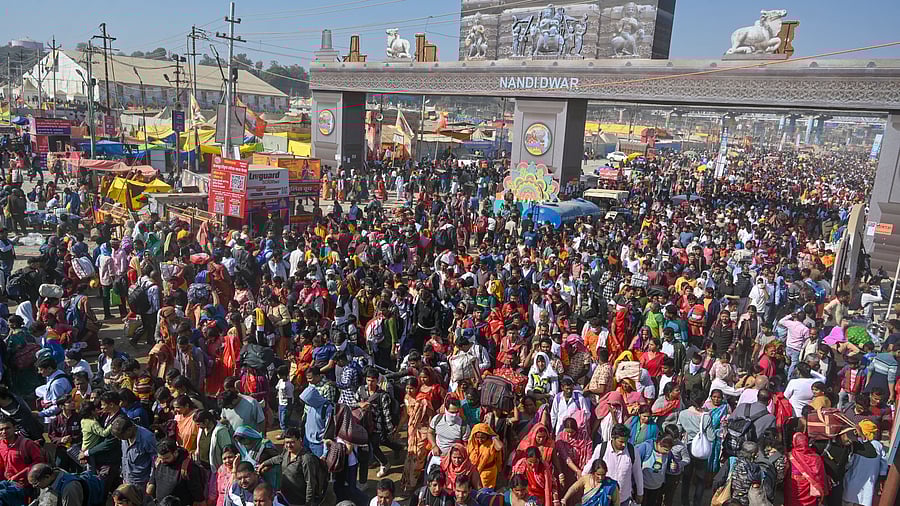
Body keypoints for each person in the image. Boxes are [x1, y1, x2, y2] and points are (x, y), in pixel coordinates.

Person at [258, 427, 326, 506]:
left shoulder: (306, 459)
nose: (289, 445)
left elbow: (310, 483)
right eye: (286, 442)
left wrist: (308, 503)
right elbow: (279, 458)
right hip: (285, 498)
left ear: (300, 440)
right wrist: (264, 464)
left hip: (299, 501)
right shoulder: (287, 452)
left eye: (292, 442)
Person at [583, 423, 642, 506]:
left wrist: (640, 493)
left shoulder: (633, 451)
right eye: (621, 441)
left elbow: (638, 473)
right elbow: (587, 470)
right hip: (604, 500)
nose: (624, 444)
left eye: (625, 441)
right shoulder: (601, 449)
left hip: (624, 499)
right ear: (613, 438)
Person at [145, 438, 207, 505]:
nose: (162, 461)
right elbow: (152, 482)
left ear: (175, 453)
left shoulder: (187, 467)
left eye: (166, 458)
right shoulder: (158, 462)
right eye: (161, 458)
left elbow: (198, 495)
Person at [110, 416, 157, 491]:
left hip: (142, 483)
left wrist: (151, 481)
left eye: (121, 436)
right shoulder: (124, 436)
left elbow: (155, 461)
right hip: (126, 479)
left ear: (129, 430)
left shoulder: (147, 438)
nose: (120, 439)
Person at [0, 414, 43, 490]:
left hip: (27, 485)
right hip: (7, 485)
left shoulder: (27, 444)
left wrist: (19, 475)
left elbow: (39, 462)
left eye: (7, 428)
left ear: (15, 428)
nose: (4, 432)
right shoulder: (1, 445)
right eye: (1, 429)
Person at [785, 432, 827, 506]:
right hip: (808, 493)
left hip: (794, 488)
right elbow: (820, 477)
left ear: (794, 442)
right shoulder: (815, 458)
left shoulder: (790, 456)